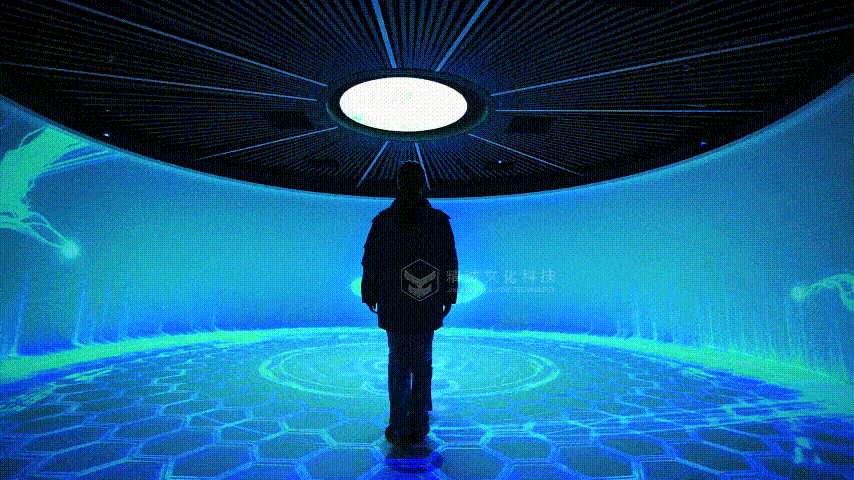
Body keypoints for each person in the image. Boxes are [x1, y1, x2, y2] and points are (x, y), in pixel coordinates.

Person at [361, 161, 458, 447]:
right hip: (426, 305)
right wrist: (449, 296)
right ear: (423, 185)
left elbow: (370, 262)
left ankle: (399, 426)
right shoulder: (439, 221)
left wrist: (370, 294)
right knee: (422, 363)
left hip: (394, 306)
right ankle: (419, 423)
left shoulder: (383, 221)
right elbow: (451, 263)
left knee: (398, 365)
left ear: (398, 184)